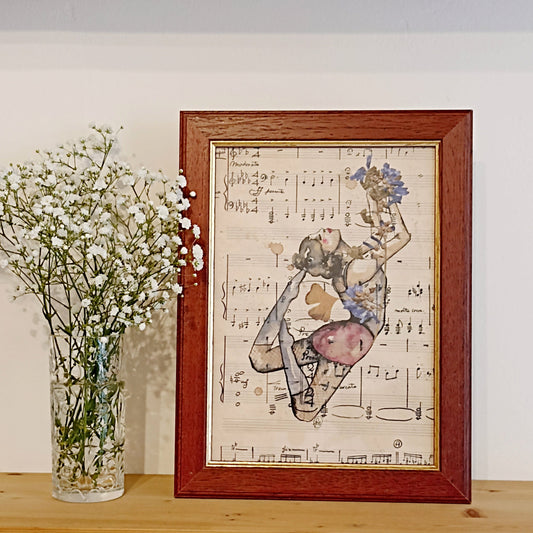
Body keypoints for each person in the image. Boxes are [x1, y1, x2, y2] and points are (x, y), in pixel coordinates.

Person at [249, 158, 411, 422]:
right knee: (306, 411)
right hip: (352, 340)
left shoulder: (349, 264)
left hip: (341, 335)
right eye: (320, 239)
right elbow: (402, 236)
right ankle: (287, 348)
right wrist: (390, 200)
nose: (321, 231)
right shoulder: (358, 267)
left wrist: (372, 191)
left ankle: (286, 340)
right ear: (328, 254)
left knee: (261, 359)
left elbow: (377, 232)